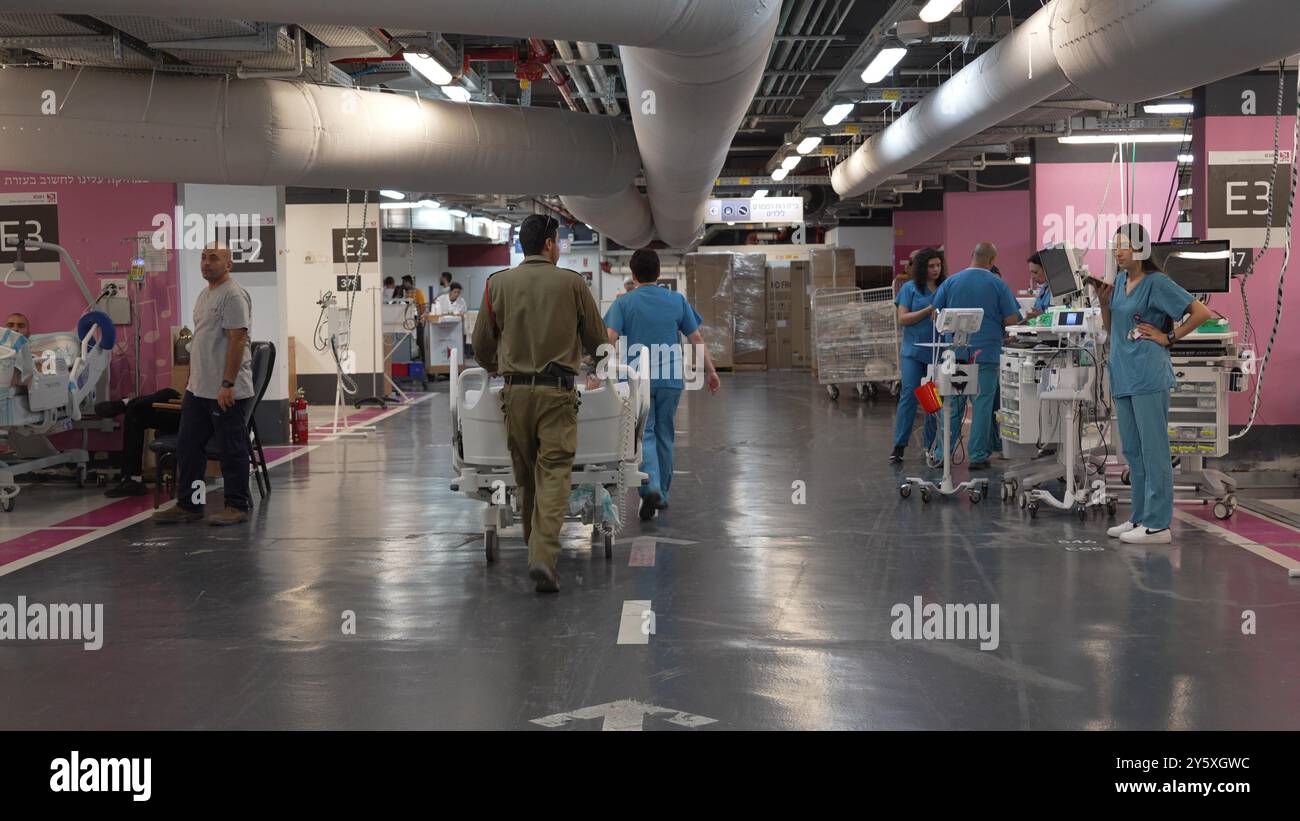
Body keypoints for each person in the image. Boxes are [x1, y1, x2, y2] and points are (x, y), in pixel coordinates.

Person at [471, 215, 607, 593]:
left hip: (514, 394)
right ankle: (542, 557)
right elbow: (597, 342)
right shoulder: (573, 284)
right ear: (549, 244)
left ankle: (536, 551)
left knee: (526, 476)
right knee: (555, 472)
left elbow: (481, 343)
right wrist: (595, 364)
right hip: (557, 394)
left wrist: (501, 367)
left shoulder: (496, 284)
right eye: (559, 240)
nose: (560, 246)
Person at [1096, 223, 1212, 545]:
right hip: (1122, 373)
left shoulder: (1157, 283)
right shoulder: (1119, 281)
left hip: (1148, 374)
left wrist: (1168, 336)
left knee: (1155, 451)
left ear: (1142, 249)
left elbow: (1201, 312)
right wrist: (1105, 303)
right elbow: (1113, 328)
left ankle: (1159, 524)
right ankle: (1139, 517)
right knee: (1133, 451)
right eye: (1115, 245)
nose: (1118, 251)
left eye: (1124, 245)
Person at [603, 248, 720, 521]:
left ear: (633, 274)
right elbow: (696, 339)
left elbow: (609, 338)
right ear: (659, 274)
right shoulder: (676, 301)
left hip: (636, 381)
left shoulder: (624, 303)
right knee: (666, 435)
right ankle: (662, 495)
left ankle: (651, 486)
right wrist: (711, 371)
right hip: (670, 380)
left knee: (645, 435)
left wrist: (598, 370)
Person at [152, 243, 255, 526]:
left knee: (231, 449)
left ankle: (237, 506)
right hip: (199, 388)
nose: (206, 263)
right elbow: (202, 340)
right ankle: (190, 504)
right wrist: (190, 382)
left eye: (214, 258)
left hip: (226, 390)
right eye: (203, 258)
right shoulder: (203, 295)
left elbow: (237, 340)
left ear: (228, 265)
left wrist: (227, 383)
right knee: (189, 446)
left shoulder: (233, 295)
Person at [930, 241, 1022, 470]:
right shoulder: (997, 284)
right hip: (986, 354)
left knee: (953, 405)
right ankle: (978, 456)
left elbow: (935, 315)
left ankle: (943, 453)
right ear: (992, 261)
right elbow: (1012, 321)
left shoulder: (951, 282)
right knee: (981, 407)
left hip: (955, 355)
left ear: (972, 255)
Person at [890, 248, 943, 463]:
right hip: (913, 352)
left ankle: (931, 444)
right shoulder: (910, 289)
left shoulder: (944, 288)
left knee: (932, 399)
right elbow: (903, 318)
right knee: (909, 395)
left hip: (936, 352)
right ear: (922, 267)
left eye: (938, 265)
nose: (935, 270)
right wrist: (927, 310)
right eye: (931, 266)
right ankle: (899, 445)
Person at [95, 390, 182, 497]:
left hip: (195, 419)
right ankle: (133, 480)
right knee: (135, 413)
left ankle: (126, 403)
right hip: (183, 414)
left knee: (169, 393)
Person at [1024, 253, 1052, 320]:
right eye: (1031, 273)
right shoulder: (1044, 289)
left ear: (1046, 269)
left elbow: (1060, 316)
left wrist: (1041, 316)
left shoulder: (1057, 291)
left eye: (1035, 272)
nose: (1033, 277)